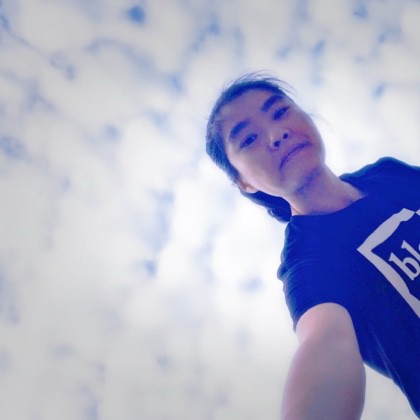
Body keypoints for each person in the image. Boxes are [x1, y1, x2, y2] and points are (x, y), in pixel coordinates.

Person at [205, 73, 420, 419]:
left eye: (280, 112)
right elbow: (326, 340)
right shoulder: (310, 264)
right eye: (248, 139)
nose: (276, 134)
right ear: (243, 182)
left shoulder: (388, 175)